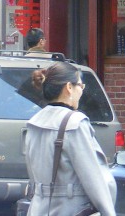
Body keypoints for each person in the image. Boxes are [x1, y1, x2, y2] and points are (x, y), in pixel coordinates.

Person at [24, 62, 116, 216]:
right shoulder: (75, 123)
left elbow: (33, 177)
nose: (82, 90)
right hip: (71, 209)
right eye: (80, 85)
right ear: (69, 87)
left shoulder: (34, 123)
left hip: (39, 209)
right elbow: (93, 178)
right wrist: (108, 212)